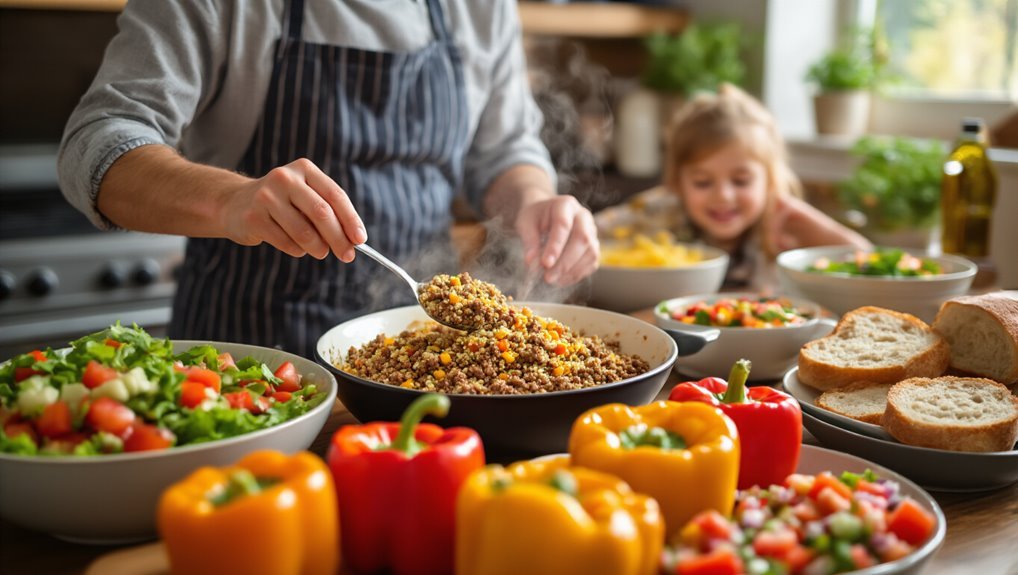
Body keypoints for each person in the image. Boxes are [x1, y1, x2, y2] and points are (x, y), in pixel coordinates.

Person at [58, 0, 598, 358]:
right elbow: (98, 142)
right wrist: (231, 199)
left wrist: (532, 200)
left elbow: (505, 148)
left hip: (421, 346)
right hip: (251, 352)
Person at [597, 84, 870, 290]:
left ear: (771, 183)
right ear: (676, 184)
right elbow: (593, 230)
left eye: (741, 181)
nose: (723, 196)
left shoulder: (783, 226)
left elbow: (868, 261)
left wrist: (817, 226)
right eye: (702, 182)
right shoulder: (659, 209)